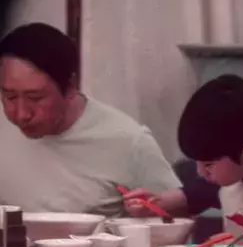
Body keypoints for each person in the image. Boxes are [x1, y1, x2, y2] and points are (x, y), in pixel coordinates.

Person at [0, 23, 181, 216]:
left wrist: (154, 209)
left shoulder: (128, 141)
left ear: (70, 87)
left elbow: (177, 216)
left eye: (35, 98)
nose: (21, 114)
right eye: (10, 96)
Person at [123, 74, 243, 236]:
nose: (200, 172)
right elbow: (194, 195)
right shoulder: (233, 177)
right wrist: (154, 204)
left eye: (208, 164)